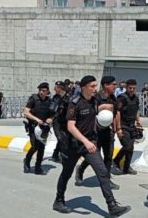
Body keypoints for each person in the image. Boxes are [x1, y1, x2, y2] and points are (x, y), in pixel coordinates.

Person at [53, 75, 131, 217]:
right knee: (66, 173)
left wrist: (107, 109)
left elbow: (95, 111)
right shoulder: (74, 103)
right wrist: (86, 142)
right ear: (84, 88)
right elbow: (71, 127)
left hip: (90, 143)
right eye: (92, 86)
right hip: (74, 145)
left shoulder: (95, 101)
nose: (95, 89)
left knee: (102, 172)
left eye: (96, 86)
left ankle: (112, 206)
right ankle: (58, 201)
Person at [75, 76, 120, 190]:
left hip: (108, 131)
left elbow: (115, 113)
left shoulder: (113, 97)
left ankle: (106, 180)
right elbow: (91, 111)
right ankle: (80, 170)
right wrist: (103, 106)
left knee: (109, 156)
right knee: (94, 156)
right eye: (113, 84)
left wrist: (117, 128)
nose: (115, 87)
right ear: (106, 85)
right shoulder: (97, 97)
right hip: (96, 132)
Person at [111, 79, 141, 175]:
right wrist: (118, 128)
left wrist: (138, 121)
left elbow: (136, 111)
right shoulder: (122, 98)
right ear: (126, 87)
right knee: (127, 146)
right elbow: (117, 113)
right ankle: (115, 161)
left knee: (131, 148)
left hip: (132, 126)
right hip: (123, 126)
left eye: (134, 88)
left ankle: (127, 167)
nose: (132, 90)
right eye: (130, 88)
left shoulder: (136, 98)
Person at [23, 82, 53, 174]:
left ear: (47, 91)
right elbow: (26, 112)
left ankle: (38, 167)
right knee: (34, 146)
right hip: (33, 126)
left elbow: (53, 114)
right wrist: (36, 119)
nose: (41, 92)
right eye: (40, 90)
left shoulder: (49, 101)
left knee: (42, 148)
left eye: (43, 91)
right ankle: (27, 163)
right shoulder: (33, 99)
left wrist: (50, 119)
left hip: (43, 128)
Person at [50, 81, 67, 163]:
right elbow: (51, 109)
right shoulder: (55, 97)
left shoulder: (68, 97)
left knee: (64, 138)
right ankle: (62, 157)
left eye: (55, 87)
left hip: (65, 121)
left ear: (60, 88)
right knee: (60, 138)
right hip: (57, 121)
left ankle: (55, 155)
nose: (54, 89)